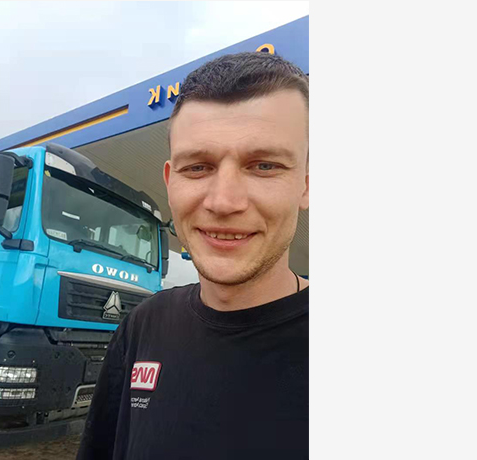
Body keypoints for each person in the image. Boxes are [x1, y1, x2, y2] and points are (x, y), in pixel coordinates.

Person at [77, 51, 309, 459]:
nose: (223, 202)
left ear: (306, 185)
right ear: (170, 183)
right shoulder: (143, 326)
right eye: (198, 168)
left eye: (264, 166)